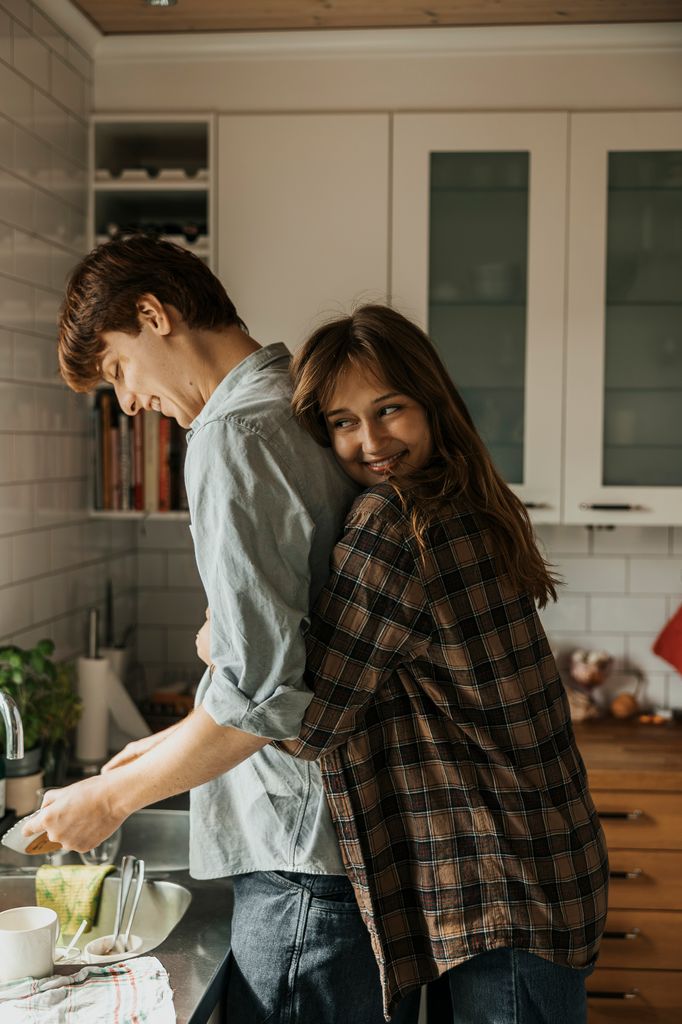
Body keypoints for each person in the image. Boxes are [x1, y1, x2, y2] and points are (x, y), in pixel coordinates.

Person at [25, 236, 421, 1023]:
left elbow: (268, 698)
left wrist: (110, 798)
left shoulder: (231, 435)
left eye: (116, 371)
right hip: (355, 847)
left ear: (152, 314)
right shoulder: (299, 401)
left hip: (301, 864)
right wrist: (170, 742)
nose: (129, 403)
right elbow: (290, 646)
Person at [259, 304, 608, 1023]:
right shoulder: (472, 496)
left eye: (389, 410)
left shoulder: (393, 522)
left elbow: (308, 729)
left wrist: (220, 645)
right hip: (539, 873)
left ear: (432, 405)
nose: (370, 440)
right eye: (342, 422)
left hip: (498, 895)